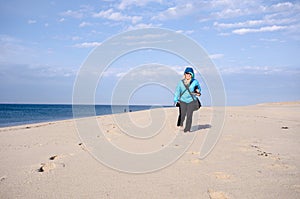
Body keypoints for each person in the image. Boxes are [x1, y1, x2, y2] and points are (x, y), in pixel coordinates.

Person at [174, 67, 201, 132]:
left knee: (189, 115)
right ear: (184, 74)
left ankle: (187, 129)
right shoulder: (181, 82)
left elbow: (198, 89)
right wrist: (176, 99)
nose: (188, 75)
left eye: (189, 74)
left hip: (191, 100)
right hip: (182, 100)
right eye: (187, 73)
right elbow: (178, 91)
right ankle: (180, 125)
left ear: (192, 75)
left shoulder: (195, 82)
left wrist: (198, 91)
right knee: (182, 114)